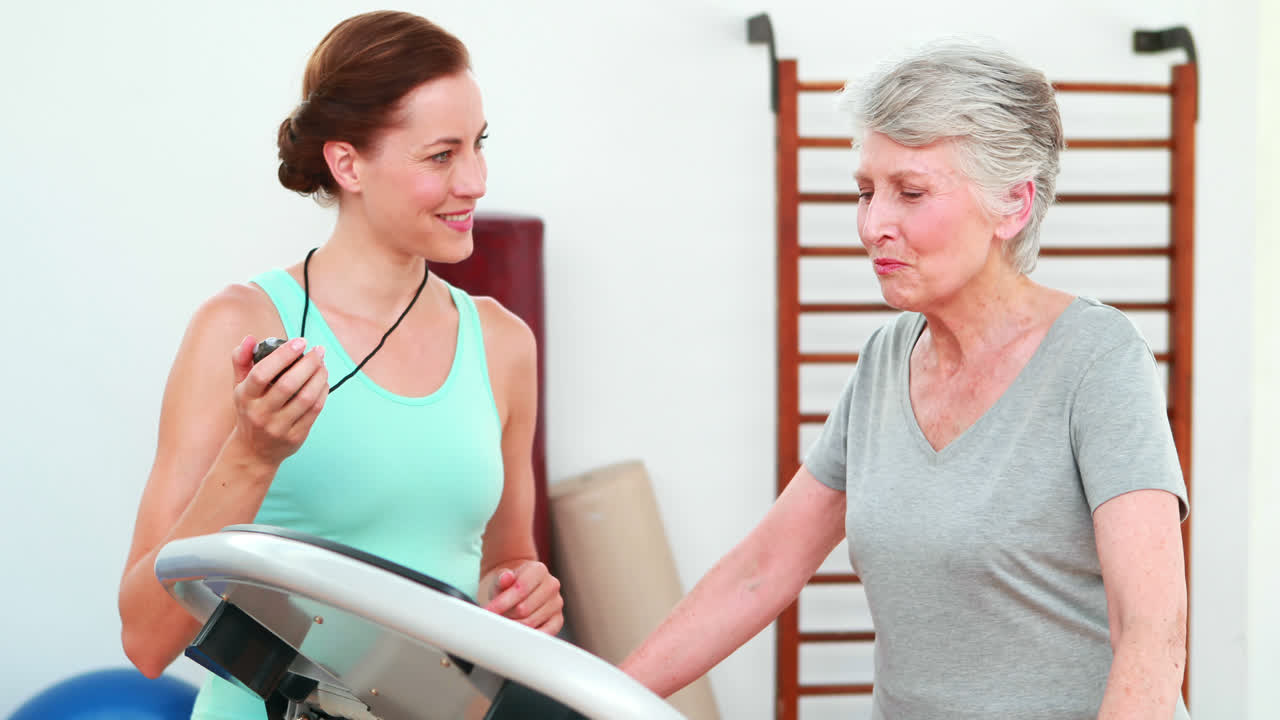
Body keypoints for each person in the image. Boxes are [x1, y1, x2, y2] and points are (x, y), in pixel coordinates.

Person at [621, 40, 1190, 719]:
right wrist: (589, 698)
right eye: (866, 192)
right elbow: (760, 572)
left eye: (910, 193)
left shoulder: (1097, 358)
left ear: (1012, 205)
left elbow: (1151, 632)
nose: (872, 226)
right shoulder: (886, 360)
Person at [116, 11, 563, 719]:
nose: (476, 181)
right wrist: (254, 454)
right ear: (348, 164)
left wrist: (521, 590)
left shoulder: (503, 343)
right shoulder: (239, 326)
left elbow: (502, 562)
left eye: (479, 145)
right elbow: (146, 638)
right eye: (440, 156)